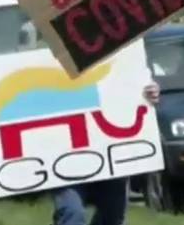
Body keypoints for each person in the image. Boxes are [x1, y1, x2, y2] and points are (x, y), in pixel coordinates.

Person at [49, 81, 160, 225]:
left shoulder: (120, 64)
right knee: (72, 213)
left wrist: (147, 94)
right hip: (67, 162)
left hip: (110, 162)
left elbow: (135, 84)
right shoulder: (53, 64)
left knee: (112, 216)